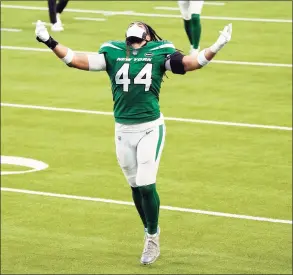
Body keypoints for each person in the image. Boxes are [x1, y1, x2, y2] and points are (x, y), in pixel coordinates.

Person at [34, 20, 232, 265]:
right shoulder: (113, 52)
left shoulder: (160, 51)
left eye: (140, 25)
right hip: (123, 129)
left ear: (148, 36)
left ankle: (152, 235)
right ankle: (149, 230)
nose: (135, 26)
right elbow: (75, 60)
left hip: (150, 127)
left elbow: (189, 64)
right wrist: (48, 40)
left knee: (146, 183)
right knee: (135, 186)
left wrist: (216, 46)